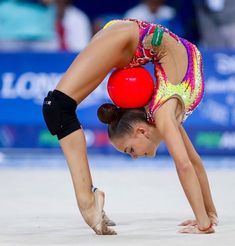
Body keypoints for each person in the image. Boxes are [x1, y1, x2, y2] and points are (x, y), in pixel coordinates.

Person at [42, 18, 218, 235]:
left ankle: (88, 200)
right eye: (131, 151)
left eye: (130, 151)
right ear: (141, 130)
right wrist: (204, 220)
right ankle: (88, 200)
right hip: (132, 38)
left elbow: (189, 163)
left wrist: (207, 218)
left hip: (137, 37)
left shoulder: (163, 113)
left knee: (58, 108)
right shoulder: (164, 115)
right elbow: (186, 163)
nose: (134, 156)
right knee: (56, 107)